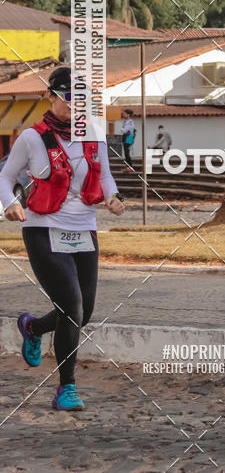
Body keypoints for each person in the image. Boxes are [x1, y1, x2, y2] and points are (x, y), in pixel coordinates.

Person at [0, 66, 125, 411]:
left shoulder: (94, 133)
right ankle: (66, 388)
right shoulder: (31, 138)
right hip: (43, 229)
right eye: (67, 97)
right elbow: (5, 176)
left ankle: (34, 328)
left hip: (84, 230)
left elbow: (106, 176)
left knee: (82, 313)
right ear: (51, 97)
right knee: (71, 307)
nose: (74, 104)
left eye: (80, 99)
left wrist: (114, 199)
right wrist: (10, 202)